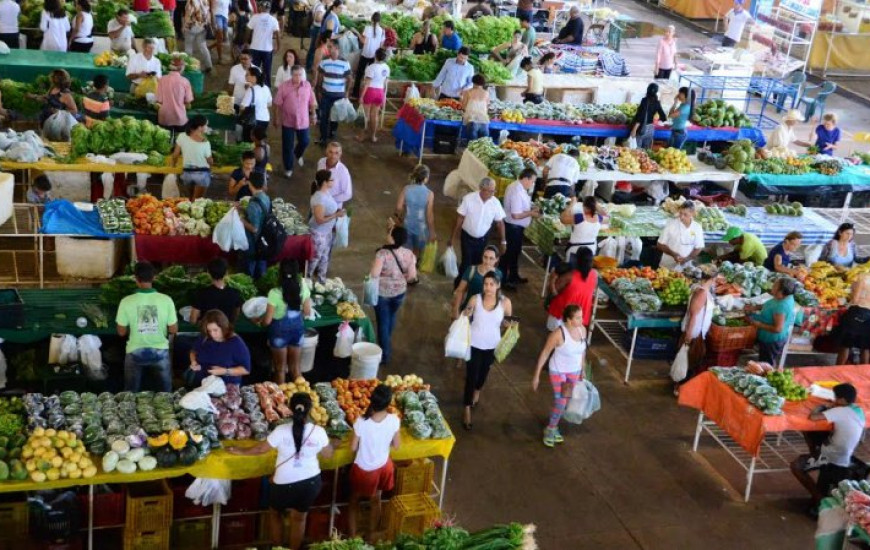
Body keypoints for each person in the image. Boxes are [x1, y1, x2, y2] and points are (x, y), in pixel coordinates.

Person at [226, 393, 334, 550]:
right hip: (310, 482)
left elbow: (260, 450)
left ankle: (278, 547)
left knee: (275, 514)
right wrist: (333, 443)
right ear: (310, 409)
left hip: (284, 483)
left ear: (290, 409)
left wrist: (239, 451)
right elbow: (328, 454)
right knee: (299, 519)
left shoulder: (281, 430)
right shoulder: (319, 431)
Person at [790, 383, 864, 510]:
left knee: (796, 466)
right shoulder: (858, 410)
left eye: (836, 398)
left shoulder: (839, 411)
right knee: (812, 433)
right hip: (845, 453)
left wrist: (824, 406)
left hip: (832, 457)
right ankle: (816, 455)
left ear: (842, 400)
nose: (834, 400)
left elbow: (813, 417)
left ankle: (820, 499)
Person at [116, 261, 178, 392]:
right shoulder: (166, 300)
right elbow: (173, 329)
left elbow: (121, 332)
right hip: (160, 351)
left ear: (136, 279)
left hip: (135, 351)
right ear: (154, 277)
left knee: (131, 394)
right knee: (166, 393)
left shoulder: (126, 301)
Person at [461, 272, 512, 430]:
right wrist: (466, 312)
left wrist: (507, 324)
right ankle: (467, 408)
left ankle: (477, 390)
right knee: (471, 375)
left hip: (492, 346)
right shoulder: (475, 299)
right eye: (485, 284)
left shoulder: (505, 303)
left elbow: (508, 322)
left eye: (491, 284)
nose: (488, 288)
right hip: (474, 344)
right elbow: (465, 315)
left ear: (498, 286)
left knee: (483, 374)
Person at [348, 384, 400, 537]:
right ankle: (372, 536)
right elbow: (396, 445)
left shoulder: (361, 422)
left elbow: (352, 448)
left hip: (365, 469)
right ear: (388, 403)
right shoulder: (394, 420)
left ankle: (352, 537)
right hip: (384, 467)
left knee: (353, 501)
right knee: (376, 499)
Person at [533, 304, 587, 447]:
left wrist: (583, 369)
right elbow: (545, 353)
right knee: (562, 401)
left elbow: (582, 351)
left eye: (581, 316)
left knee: (565, 401)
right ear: (569, 320)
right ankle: (550, 428)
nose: (582, 320)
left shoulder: (582, 330)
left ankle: (554, 426)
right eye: (578, 318)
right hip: (559, 371)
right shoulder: (558, 334)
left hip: (574, 371)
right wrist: (536, 376)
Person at [369, 225, 417, 365]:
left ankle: (385, 354)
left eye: (390, 233)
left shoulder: (382, 254)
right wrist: (400, 279)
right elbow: (412, 277)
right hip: (399, 293)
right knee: (391, 315)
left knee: (383, 323)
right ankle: (387, 340)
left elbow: (374, 274)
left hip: (382, 293)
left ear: (393, 237)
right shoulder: (409, 254)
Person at [259, 259, 312, 383]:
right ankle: (301, 398)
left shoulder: (274, 293)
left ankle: (281, 400)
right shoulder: (303, 286)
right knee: (295, 368)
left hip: (278, 334)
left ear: (280, 273)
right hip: (297, 332)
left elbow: (267, 321)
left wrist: (259, 322)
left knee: (280, 369)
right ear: (297, 273)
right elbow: (307, 311)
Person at [449, 177, 507, 286]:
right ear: (482, 188)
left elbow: (500, 223)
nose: (492, 193)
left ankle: (473, 288)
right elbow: (459, 218)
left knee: (479, 265)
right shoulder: (469, 199)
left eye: (493, 191)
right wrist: (452, 238)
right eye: (490, 191)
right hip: (467, 238)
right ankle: (458, 288)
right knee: (466, 264)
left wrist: (503, 241)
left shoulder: (495, 203)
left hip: (483, 239)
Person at [673, 270, 715, 395]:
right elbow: (693, 315)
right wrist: (689, 335)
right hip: (694, 333)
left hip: (698, 333)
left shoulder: (701, 290)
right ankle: (679, 387)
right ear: (712, 279)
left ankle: (680, 385)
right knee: (689, 360)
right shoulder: (701, 293)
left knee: (690, 360)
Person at [274, 65, 317, 179]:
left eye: (300, 75)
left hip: (303, 120)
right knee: (287, 145)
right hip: (288, 120)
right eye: (295, 75)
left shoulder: (307, 86)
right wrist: (276, 118)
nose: (298, 77)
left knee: (305, 140)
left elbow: (312, 102)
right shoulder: (284, 87)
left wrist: (314, 114)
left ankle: (297, 154)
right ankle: (288, 168)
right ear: (291, 75)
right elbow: (277, 104)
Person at [188, 310, 251, 386]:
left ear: (224, 327)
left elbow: (246, 369)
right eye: (209, 330)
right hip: (202, 384)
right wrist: (194, 362)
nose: (212, 334)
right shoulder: (205, 337)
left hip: (227, 386)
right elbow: (193, 351)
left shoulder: (236, 343)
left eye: (215, 330)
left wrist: (224, 371)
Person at [501, 168, 540, 288]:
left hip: (516, 227)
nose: (532, 184)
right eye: (532, 181)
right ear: (526, 179)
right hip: (513, 227)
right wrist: (531, 214)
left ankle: (513, 276)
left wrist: (531, 208)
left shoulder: (518, 187)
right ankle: (504, 281)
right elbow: (516, 214)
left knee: (515, 253)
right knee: (509, 254)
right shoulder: (516, 191)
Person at [746, 277, 797, 366]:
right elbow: (770, 304)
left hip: (771, 341)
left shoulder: (781, 306)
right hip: (768, 337)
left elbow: (777, 329)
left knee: (766, 364)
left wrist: (756, 323)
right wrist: (755, 307)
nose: (772, 287)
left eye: (775, 287)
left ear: (781, 292)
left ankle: (764, 378)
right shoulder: (784, 297)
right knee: (763, 360)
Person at [547, 248, 597, 330]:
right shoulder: (594, 275)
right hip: (580, 318)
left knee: (556, 339)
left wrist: (552, 278)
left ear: (577, 260)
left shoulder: (569, 276)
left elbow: (553, 292)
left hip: (562, 315)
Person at [309, 169, 346, 281]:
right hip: (318, 234)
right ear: (325, 182)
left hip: (326, 233)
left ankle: (322, 282)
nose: (333, 182)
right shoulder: (319, 198)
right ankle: (307, 281)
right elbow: (319, 219)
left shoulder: (326, 193)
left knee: (324, 258)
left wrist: (336, 211)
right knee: (314, 259)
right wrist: (336, 215)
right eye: (332, 180)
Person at [395, 165, 436, 260]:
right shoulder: (429, 194)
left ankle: (405, 268)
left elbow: (398, 207)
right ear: (425, 179)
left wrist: (399, 219)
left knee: (406, 251)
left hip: (407, 225)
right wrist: (432, 232)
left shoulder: (407, 189)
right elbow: (429, 216)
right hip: (421, 229)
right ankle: (413, 268)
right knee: (416, 251)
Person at [316, 40, 352, 145]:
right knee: (324, 116)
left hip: (339, 95)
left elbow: (350, 78)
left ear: (337, 48)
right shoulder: (324, 61)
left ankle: (332, 131)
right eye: (328, 47)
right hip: (326, 94)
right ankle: (323, 137)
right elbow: (320, 76)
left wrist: (347, 92)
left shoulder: (345, 63)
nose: (328, 48)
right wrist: (319, 89)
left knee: (335, 116)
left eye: (330, 47)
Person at [452, 245, 502, 318]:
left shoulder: (499, 274)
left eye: (491, 258)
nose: (487, 261)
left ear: (496, 259)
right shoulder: (471, 270)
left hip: (486, 314)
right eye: (485, 257)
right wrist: (456, 310)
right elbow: (460, 290)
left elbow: (497, 293)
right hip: (469, 312)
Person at [190, 258, 244, 324]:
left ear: (208, 273)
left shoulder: (201, 294)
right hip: (225, 331)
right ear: (226, 273)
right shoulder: (235, 293)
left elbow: (193, 319)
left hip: (207, 331)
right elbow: (235, 316)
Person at [172, 115, 213, 199]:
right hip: (202, 174)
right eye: (206, 125)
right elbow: (210, 161)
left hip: (187, 173)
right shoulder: (205, 142)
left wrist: (173, 165)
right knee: (197, 203)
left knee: (187, 201)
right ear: (199, 127)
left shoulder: (182, 136)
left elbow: (175, 155)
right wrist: (212, 163)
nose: (207, 127)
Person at [657, 201, 704, 270]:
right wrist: (674, 254)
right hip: (667, 266)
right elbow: (660, 244)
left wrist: (687, 259)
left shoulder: (697, 227)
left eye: (685, 214)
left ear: (693, 213)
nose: (681, 217)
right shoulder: (671, 224)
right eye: (680, 213)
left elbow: (699, 247)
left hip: (686, 267)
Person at [560, 196, 608, 263]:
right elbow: (608, 216)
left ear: (584, 207)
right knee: (585, 271)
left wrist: (572, 204)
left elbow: (562, 218)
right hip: (590, 250)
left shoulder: (580, 218)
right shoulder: (599, 218)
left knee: (572, 271)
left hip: (575, 250)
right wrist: (597, 206)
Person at [240, 172, 271, 278]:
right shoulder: (265, 197)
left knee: (249, 269)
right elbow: (261, 213)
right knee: (261, 267)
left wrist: (241, 221)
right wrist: (242, 209)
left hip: (254, 243)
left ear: (250, 184)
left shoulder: (253, 204)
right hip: (264, 240)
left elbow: (254, 229)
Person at [357, 48, 389, 143]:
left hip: (370, 91)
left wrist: (361, 96)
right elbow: (385, 83)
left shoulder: (371, 67)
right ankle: (373, 136)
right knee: (375, 115)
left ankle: (362, 136)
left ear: (375, 56)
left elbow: (367, 83)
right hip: (380, 92)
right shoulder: (387, 67)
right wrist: (384, 96)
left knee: (365, 116)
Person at [837, 273, 870, 365]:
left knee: (846, 345)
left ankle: (838, 371)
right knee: (865, 348)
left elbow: (855, 299)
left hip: (858, 311)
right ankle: (864, 375)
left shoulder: (863, 278)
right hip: (869, 316)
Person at [155, 57, 194, 135]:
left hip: (164, 117)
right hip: (179, 117)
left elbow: (159, 100)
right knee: (180, 141)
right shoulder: (185, 81)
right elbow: (188, 100)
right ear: (181, 68)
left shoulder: (162, 80)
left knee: (164, 140)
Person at [247, 1, 280, 86]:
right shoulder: (273, 20)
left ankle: (253, 87)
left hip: (254, 48)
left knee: (254, 70)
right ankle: (267, 89)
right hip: (267, 50)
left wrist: (247, 42)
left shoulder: (254, 17)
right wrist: (278, 47)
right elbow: (278, 35)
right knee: (267, 71)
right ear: (269, 9)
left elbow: (248, 31)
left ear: (261, 8)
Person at [353, 12, 385, 98]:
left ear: (371, 19)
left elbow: (364, 41)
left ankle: (355, 93)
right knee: (370, 76)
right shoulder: (382, 31)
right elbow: (381, 46)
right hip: (374, 57)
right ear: (379, 20)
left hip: (365, 54)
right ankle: (367, 94)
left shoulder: (367, 28)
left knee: (359, 74)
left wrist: (358, 34)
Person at [240, 66, 273, 141]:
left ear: (254, 77)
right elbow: (269, 103)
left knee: (249, 143)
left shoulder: (251, 90)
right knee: (259, 142)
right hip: (265, 119)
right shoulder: (266, 88)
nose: (245, 76)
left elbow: (242, 107)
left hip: (253, 121)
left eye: (247, 74)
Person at [631, 82, 667, 149]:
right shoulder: (657, 102)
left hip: (642, 128)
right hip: (650, 129)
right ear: (656, 92)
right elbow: (663, 117)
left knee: (637, 150)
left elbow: (640, 116)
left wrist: (634, 129)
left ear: (647, 89)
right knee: (646, 151)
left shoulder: (645, 101)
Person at [316, 142, 352, 208]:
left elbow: (347, 194)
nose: (333, 156)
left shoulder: (343, 171)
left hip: (332, 206)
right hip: (318, 200)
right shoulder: (321, 162)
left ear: (340, 154)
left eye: (336, 153)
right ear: (326, 151)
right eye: (330, 152)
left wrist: (329, 200)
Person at [184, 0, 213, 73]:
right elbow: (208, 12)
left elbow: (188, 15)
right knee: (203, 47)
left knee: (188, 46)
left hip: (192, 27)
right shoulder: (205, 1)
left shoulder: (191, 1)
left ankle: (188, 66)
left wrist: (185, 26)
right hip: (202, 26)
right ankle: (209, 65)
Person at [461, 74, 489, 141]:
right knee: (483, 146)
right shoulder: (486, 93)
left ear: (473, 82)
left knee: (472, 146)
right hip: (484, 122)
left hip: (472, 121)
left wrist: (460, 99)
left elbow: (464, 106)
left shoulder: (468, 92)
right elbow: (487, 107)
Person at [306, 0, 329, 69]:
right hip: (317, 28)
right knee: (314, 48)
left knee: (313, 48)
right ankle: (309, 67)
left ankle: (309, 65)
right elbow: (317, 18)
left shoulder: (317, 3)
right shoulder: (321, 7)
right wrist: (327, 19)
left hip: (315, 27)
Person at [210, 0, 230, 64]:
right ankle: (220, 58)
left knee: (224, 39)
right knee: (220, 38)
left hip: (225, 16)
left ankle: (209, 47)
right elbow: (211, 7)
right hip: (217, 15)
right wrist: (212, 20)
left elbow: (229, 7)